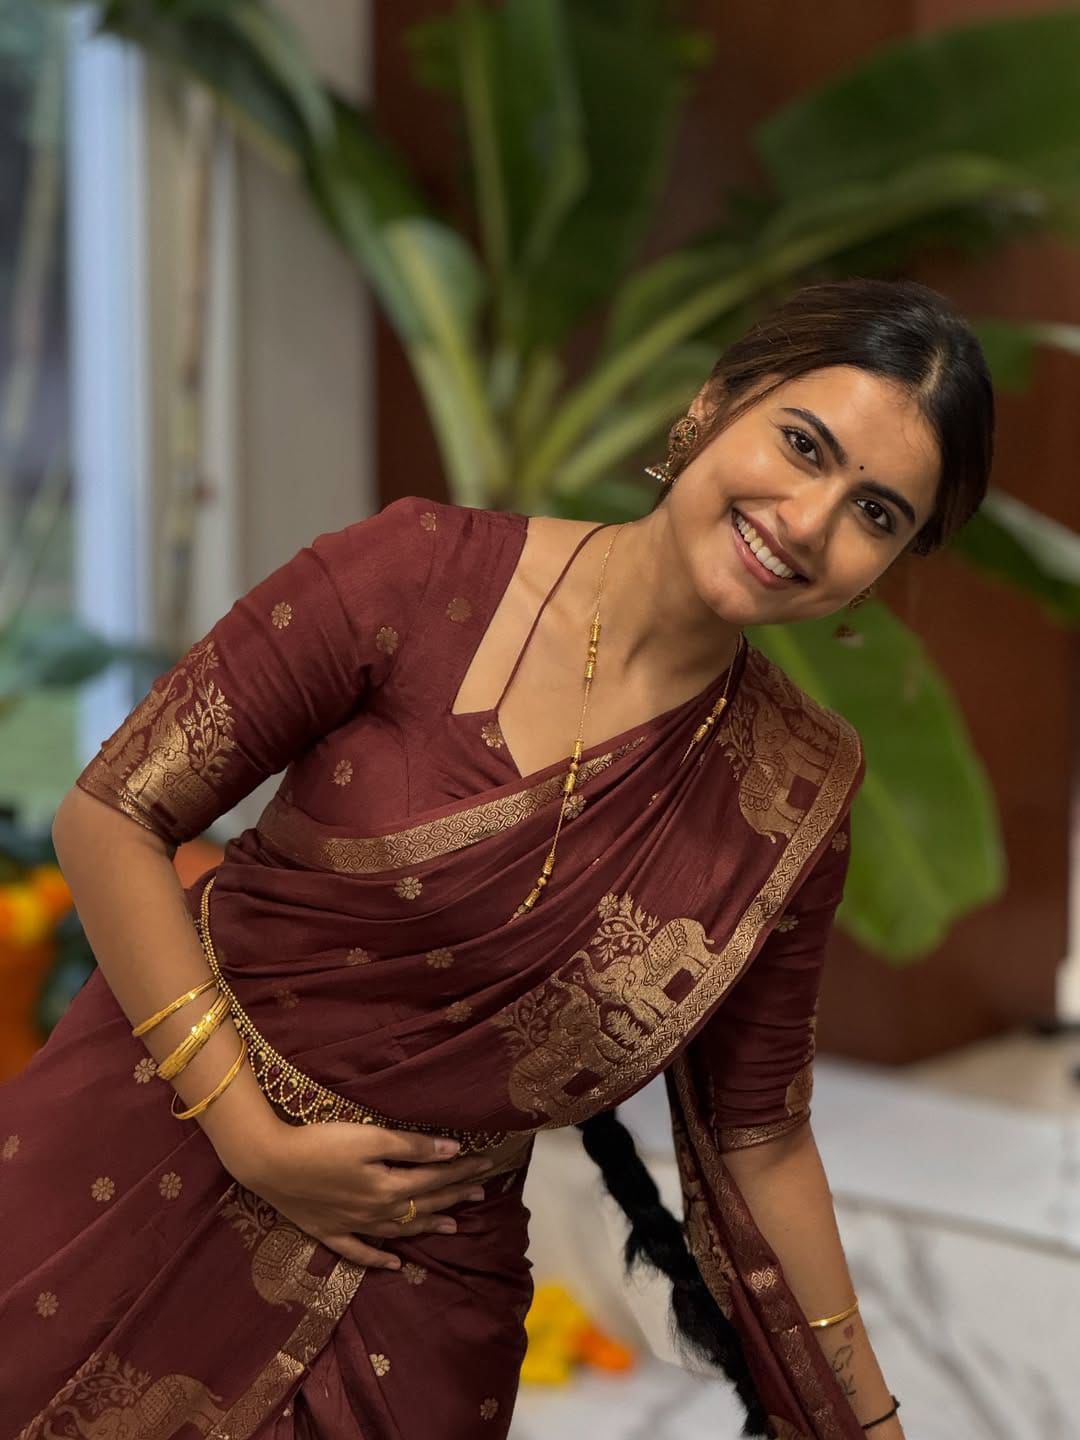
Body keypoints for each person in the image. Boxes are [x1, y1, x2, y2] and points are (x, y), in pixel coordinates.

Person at [0, 276, 992, 1440]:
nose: (810, 520)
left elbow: (758, 1138)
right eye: (802, 445)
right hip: (141, 1163)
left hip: (418, 1288)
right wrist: (252, 1136)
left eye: (876, 513)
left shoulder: (792, 791)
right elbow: (113, 817)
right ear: (713, 405)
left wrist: (867, 1428)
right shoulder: (416, 577)